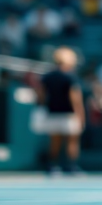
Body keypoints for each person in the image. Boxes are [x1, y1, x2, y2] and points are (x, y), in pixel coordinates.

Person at [37, 47, 86, 176]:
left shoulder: (47, 77)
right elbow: (75, 99)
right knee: (72, 141)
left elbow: (41, 95)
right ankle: (71, 166)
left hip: (52, 113)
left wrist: (45, 106)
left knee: (54, 141)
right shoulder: (70, 77)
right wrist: (80, 115)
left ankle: (52, 166)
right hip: (68, 115)